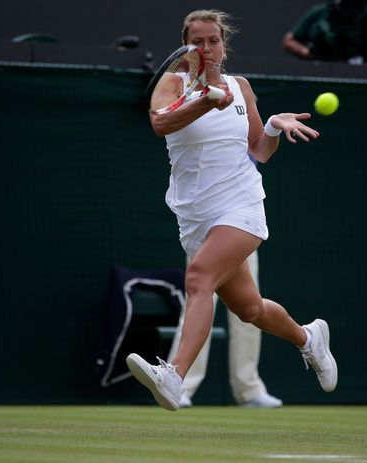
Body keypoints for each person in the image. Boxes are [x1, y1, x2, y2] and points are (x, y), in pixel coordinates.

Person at [125, 9, 338, 411]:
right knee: (250, 309)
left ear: (224, 45)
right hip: (194, 217)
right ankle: (309, 338)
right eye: (197, 42)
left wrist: (273, 125)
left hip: (241, 205)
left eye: (213, 41)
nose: (206, 49)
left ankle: (175, 376)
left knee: (198, 277)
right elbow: (160, 124)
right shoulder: (173, 84)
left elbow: (258, 150)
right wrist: (206, 101)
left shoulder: (241, 87)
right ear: (186, 48)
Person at [169, 250, 283, 408]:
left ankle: (248, 390)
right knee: (197, 306)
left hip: (245, 229)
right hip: (206, 232)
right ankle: (179, 384)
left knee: (250, 308)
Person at [282, 0, 367, 65]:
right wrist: (307, 53)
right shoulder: (320, 13)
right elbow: (289, 40)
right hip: (321, 70)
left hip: (355, 76)